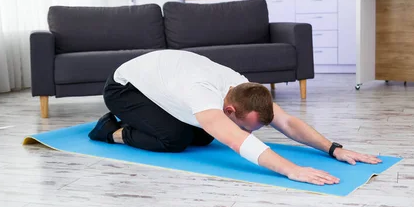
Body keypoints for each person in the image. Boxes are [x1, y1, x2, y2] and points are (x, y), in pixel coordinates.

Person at [89, 50, 381, 186]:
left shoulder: (242, 88)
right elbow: (237, 141)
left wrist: (334, 148)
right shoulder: (203, 93)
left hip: (164, 82)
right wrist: (292, 169)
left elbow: (288, 123)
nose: (248, 133)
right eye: (246, 127)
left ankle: (142, 122)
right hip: (125, 88)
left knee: (202, 136)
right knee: (175, 139)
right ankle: (110, 130)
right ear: (229, 111)